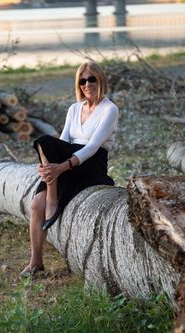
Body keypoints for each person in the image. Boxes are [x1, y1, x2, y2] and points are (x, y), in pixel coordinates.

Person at [20, 60, 119, 278]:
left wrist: (62, 166)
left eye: (91, 79)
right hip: (67, 163)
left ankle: (53, 194)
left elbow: (93, 147)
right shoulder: (74, 109)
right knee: (37, 202)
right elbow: (63, 140)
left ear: (100, 79)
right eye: (82, 80)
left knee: (45, 140)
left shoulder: (109, 109)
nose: (87, 84)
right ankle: (36, 262)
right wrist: (47, 166)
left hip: (91, 163)